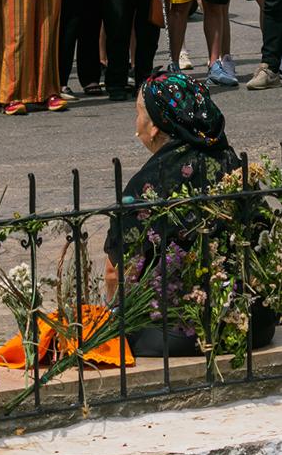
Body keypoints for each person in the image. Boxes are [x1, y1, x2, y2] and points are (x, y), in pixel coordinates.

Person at [103, 71, 275, 356]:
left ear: (155, 127)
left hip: (177, 332)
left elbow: (116, 273)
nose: (137, 124)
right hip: (254, 324)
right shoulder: (232, 164)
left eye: (138, 115)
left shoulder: (149, 184)